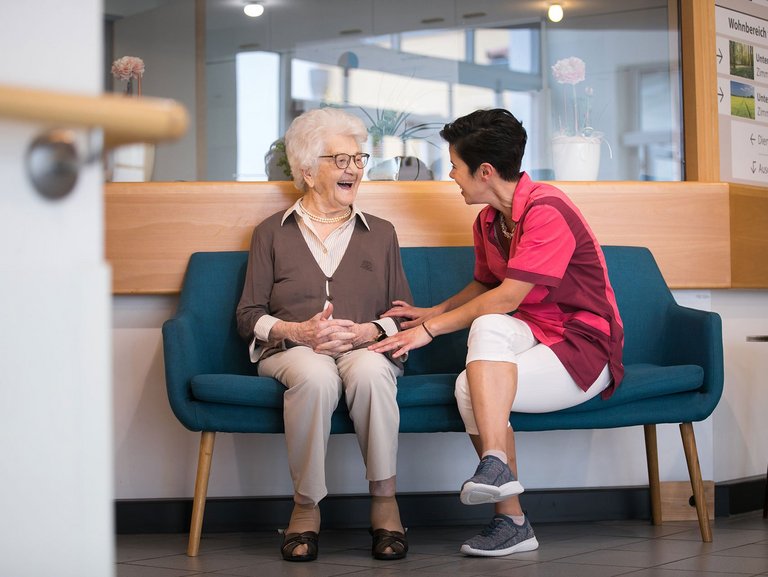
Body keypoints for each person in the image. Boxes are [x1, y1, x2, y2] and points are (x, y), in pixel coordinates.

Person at [370, 108, 624, 557]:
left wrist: (430, 329)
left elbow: (508, 296)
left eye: (454, 165)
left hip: (583, 346)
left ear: (484, 171)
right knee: (484, 331)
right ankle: (499, 475)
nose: (451, 175)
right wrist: (437, 308)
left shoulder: (548, 210)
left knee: (471, 385)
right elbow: (486, 285)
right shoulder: (489, 220)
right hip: (533, 333)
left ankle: (510, 518)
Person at [236, 107, 412, 562]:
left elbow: (402, 316)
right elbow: (248, 315)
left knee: (373, 371)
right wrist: (297, 330)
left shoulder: (382, 233)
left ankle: (385, 502)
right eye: (340, 160)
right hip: (293, 350)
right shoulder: (270, 234)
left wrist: (368, 331)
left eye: (358, 159)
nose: (353, 168)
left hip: (362, 348)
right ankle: (305, 507)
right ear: (308, 171)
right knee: (315, 376)